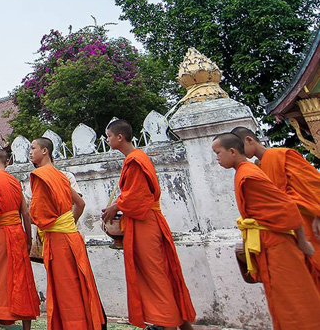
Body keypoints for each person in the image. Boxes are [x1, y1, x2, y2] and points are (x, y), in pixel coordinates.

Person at [212, 132, 320, 329]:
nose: (216, 158)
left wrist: (305, 236)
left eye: (218, 153)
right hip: (271, 239)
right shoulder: (248, 171)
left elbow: (289, 204)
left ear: (234, 150)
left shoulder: (251, 173)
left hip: (283, 240)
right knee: (283, 301)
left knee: (294, 301)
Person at [101, 119, 195, 330]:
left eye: (108, 136)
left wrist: (115, 207)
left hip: (145, 223)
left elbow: (138, 198)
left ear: (119, 137)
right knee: (160, 272)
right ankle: (180, 323)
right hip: (145, 221)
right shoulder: (136, 158)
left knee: (155, 274)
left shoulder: (135, 159)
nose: (107, 140)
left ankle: (167, 323)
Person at [31, 138, 105, 330]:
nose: (30, 152)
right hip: (72, 237)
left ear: (45, 151)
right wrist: (67, 223)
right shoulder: (61, 176)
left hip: (58, 241)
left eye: (33, 148)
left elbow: (39, 216)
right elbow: (80, 204)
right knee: (79, 285)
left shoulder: (40, 175)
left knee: (66, 291)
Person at [241, 126, 320, 287]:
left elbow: (313, 184)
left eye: (241, 146)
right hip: (289, 227)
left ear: (249, 140)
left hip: (309, 220)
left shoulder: (282, 155)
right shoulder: (257, 168)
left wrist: (319, 214)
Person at [0, 148, 40, 330]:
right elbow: (25, 212)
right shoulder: (15, 182)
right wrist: (28, 238)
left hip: (1, 233)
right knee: (22, 278)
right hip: (18, 233)